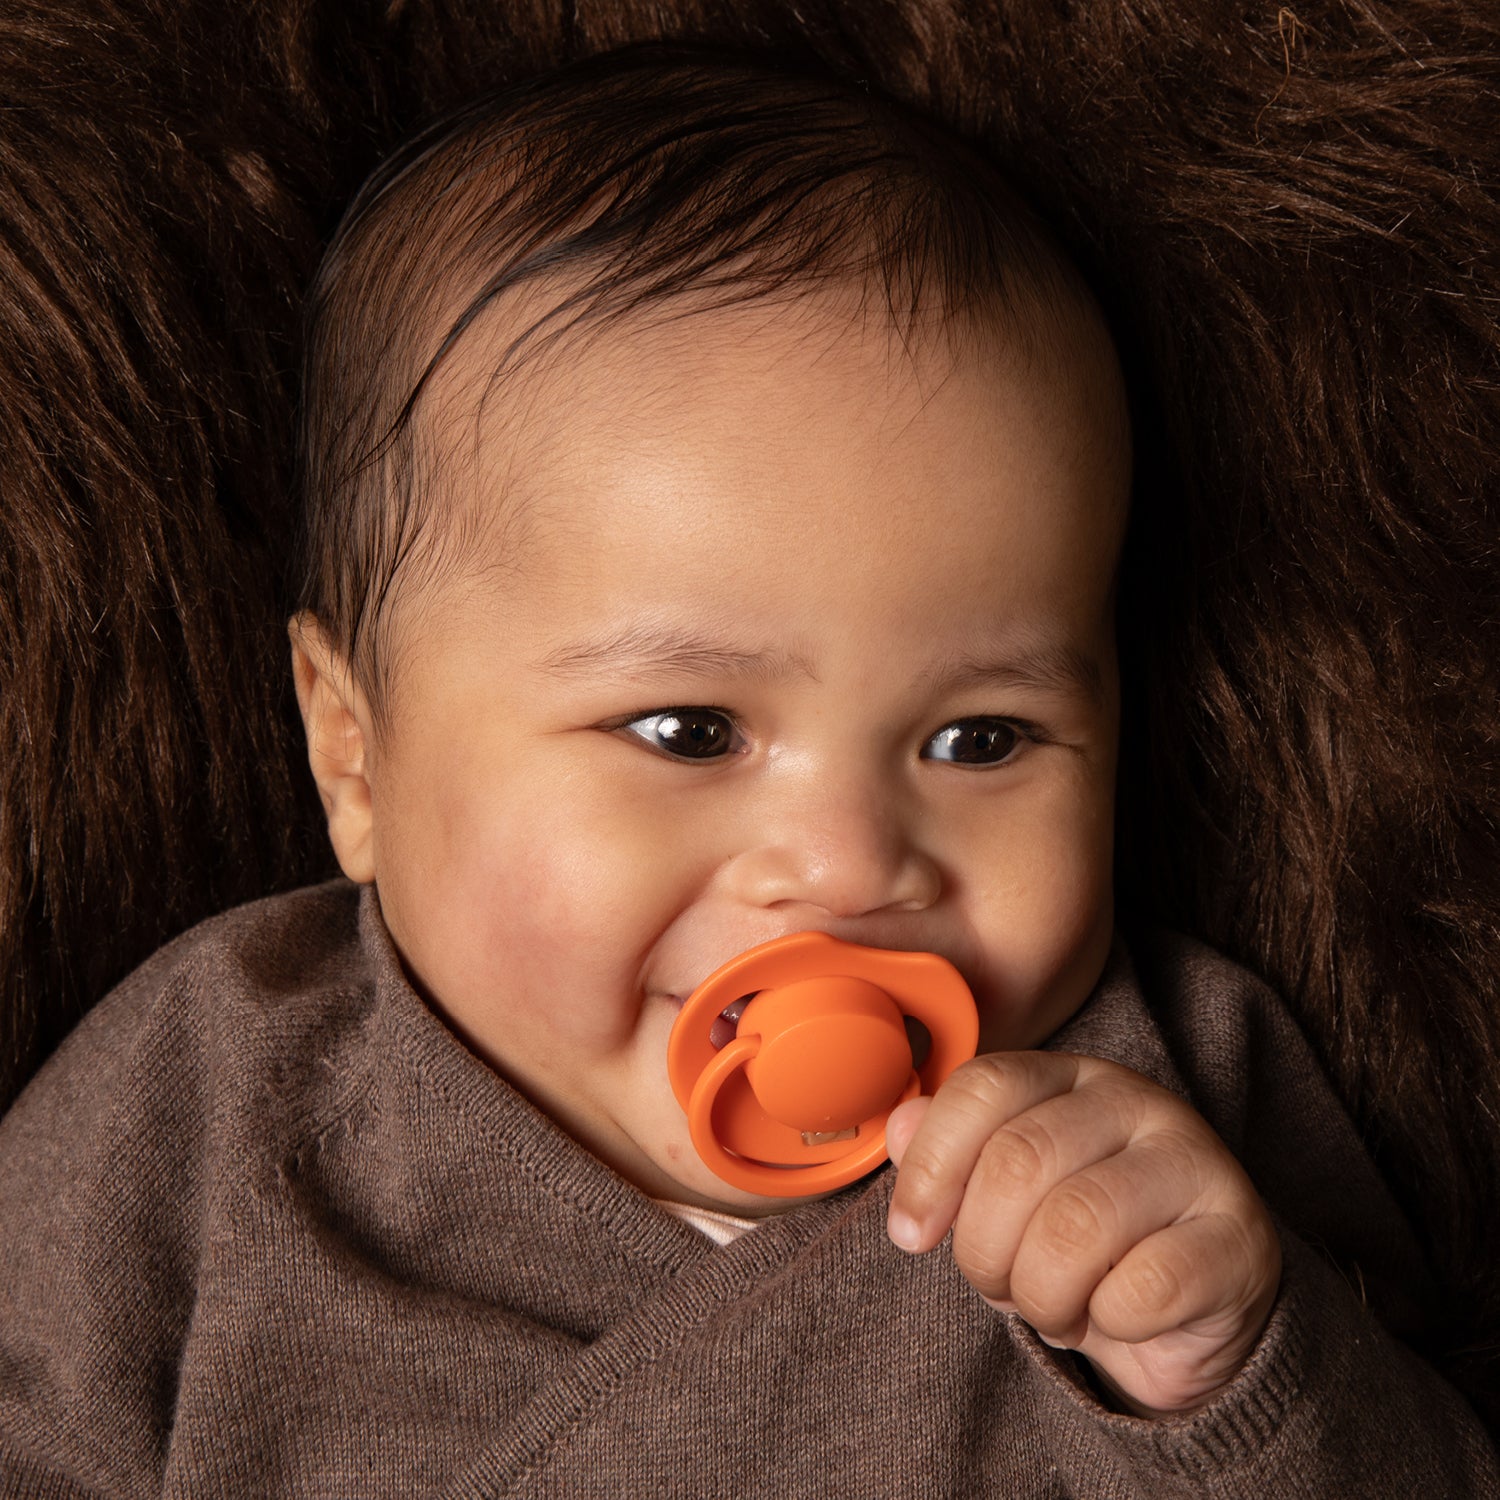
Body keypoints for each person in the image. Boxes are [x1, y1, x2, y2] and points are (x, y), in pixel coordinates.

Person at [0, 45, 1493, 1497]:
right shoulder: (204, 1105)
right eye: (689, 732)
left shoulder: (1167, 1103)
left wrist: (1228, 1373)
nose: (847, 862)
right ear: (354, 751)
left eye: (980, 739)